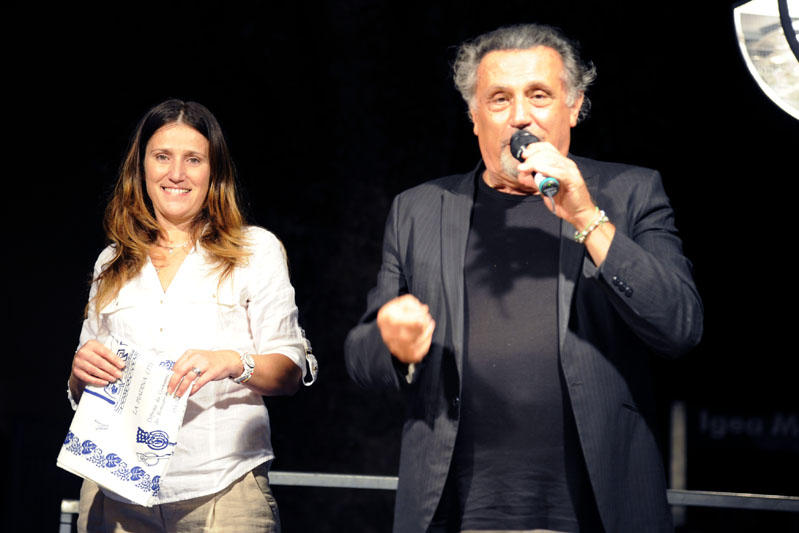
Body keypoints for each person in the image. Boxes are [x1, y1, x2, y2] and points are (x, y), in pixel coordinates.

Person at [345, 23, 702, 533]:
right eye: (499, 99)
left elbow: (679, 326)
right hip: (458, 512)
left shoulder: (631, 192)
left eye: (539, 95)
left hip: (598, 509)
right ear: (474, 116)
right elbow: (360, 358)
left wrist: (587, 218)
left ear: (574, 107)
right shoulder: (418, 209)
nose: (519, 116)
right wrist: (393, 343)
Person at [68, 99, 313, 533]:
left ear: (214, 172)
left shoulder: (255, 250)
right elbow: (85, 381)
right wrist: (78, 374)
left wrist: (231, 362)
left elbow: (290, 371)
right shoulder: (112, 261)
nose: (176, 173)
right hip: (117, 492)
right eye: (162, 157)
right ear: (142, 167)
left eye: (193, 159)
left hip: (221, 488)